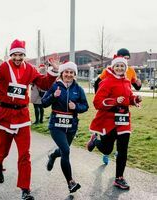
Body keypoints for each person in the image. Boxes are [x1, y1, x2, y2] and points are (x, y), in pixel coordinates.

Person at [0, 39, 59, 200]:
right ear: (11, 55)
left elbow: (44, 84)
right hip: (5, 114)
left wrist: (53, 71)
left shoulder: (30, 69)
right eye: (15, 55)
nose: (18, 58)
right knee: (2, 150)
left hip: (22, 116)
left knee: (25, 154)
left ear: (24, 55)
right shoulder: (3, 67)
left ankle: (25, 189)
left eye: (21, 55)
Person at [87, 56, 142, 190]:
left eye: (122, 66)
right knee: (107, 149)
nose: (119, 68)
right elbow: (97, 102)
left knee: (122, 150)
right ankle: (95, 141)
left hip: (123, 120)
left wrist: (135, 99)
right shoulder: (106, 82)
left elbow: (127, 98)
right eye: (117, 66)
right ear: (113, 67)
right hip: (109, 120)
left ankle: (119, 178)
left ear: (125, 68)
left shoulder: (127, 81)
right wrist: (114, 101)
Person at [42, 61, 89, 193]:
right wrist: (53, 96)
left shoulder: (78, 89)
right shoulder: (55, 86)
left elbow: (85, 106)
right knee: (66, 151)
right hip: (56, 126)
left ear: (74, 74)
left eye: (71, 72)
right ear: (62, 73)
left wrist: (76, 107)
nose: (68, 74)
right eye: (66, 72)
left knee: (64, 150)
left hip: (71, 126)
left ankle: (52, 155)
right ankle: (70, 182)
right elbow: (44, 103)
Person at [94, 48, 142, 164]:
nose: (125, 61)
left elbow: (135, 86)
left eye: (127, 59)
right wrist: (105, 101)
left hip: (124, 109)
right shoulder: (109, 70)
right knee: (108, 143)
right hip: (110, 107)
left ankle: (118, 159)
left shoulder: (130, 70)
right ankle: (105, 153)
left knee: (122, 141)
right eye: (123, 57)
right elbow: (97, 83)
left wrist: (137, 91)